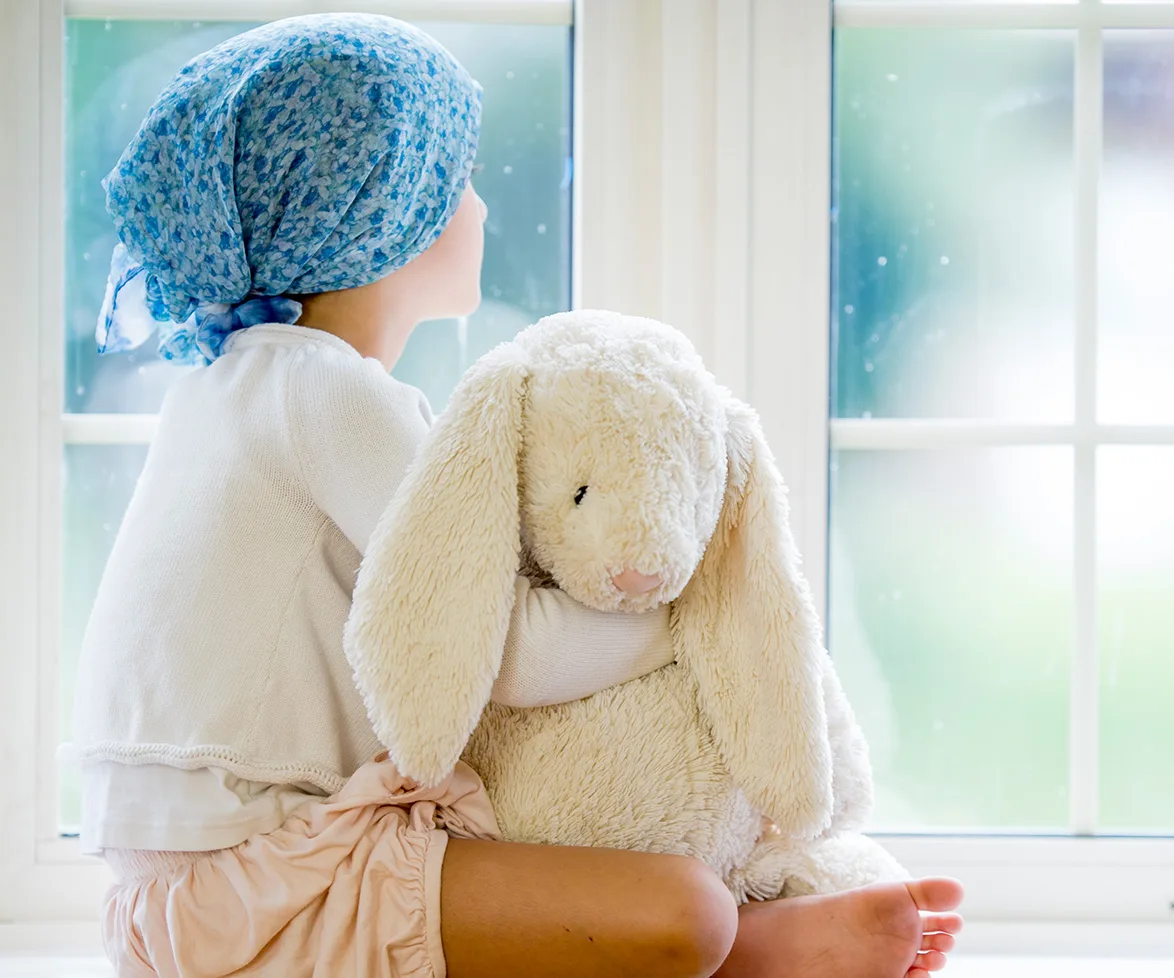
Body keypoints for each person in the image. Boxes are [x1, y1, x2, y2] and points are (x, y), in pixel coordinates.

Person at [70, 13, 963, 977]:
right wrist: (689, 611)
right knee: (686, 910)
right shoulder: (326, 392)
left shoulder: (233, 384)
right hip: (268, 888)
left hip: (183, 894)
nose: (483, 210)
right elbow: (498, 651)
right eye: (456, 182)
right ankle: (753, 946)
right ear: (386, 215)